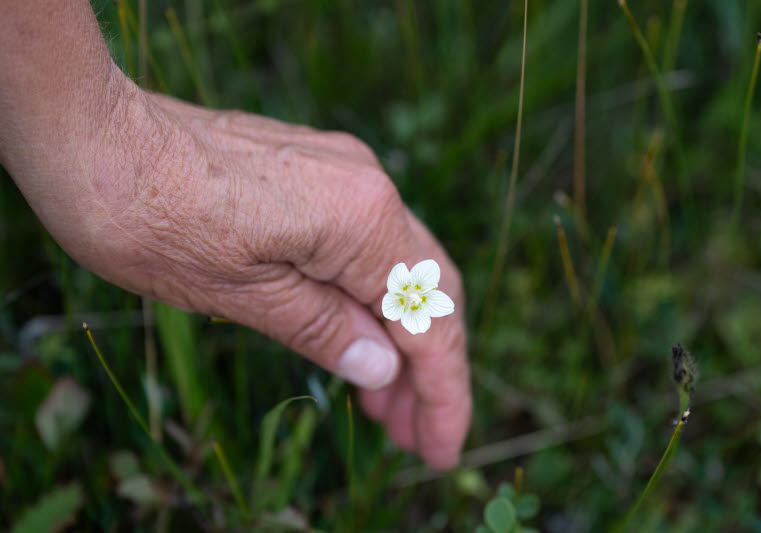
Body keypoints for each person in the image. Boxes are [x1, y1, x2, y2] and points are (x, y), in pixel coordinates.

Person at [0, 1, 470, 470]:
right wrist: (105, 131)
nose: (410, 296)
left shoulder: (410, 293)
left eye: (411, 296)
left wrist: (85, 115)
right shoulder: (402, 291)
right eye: (410, 294)